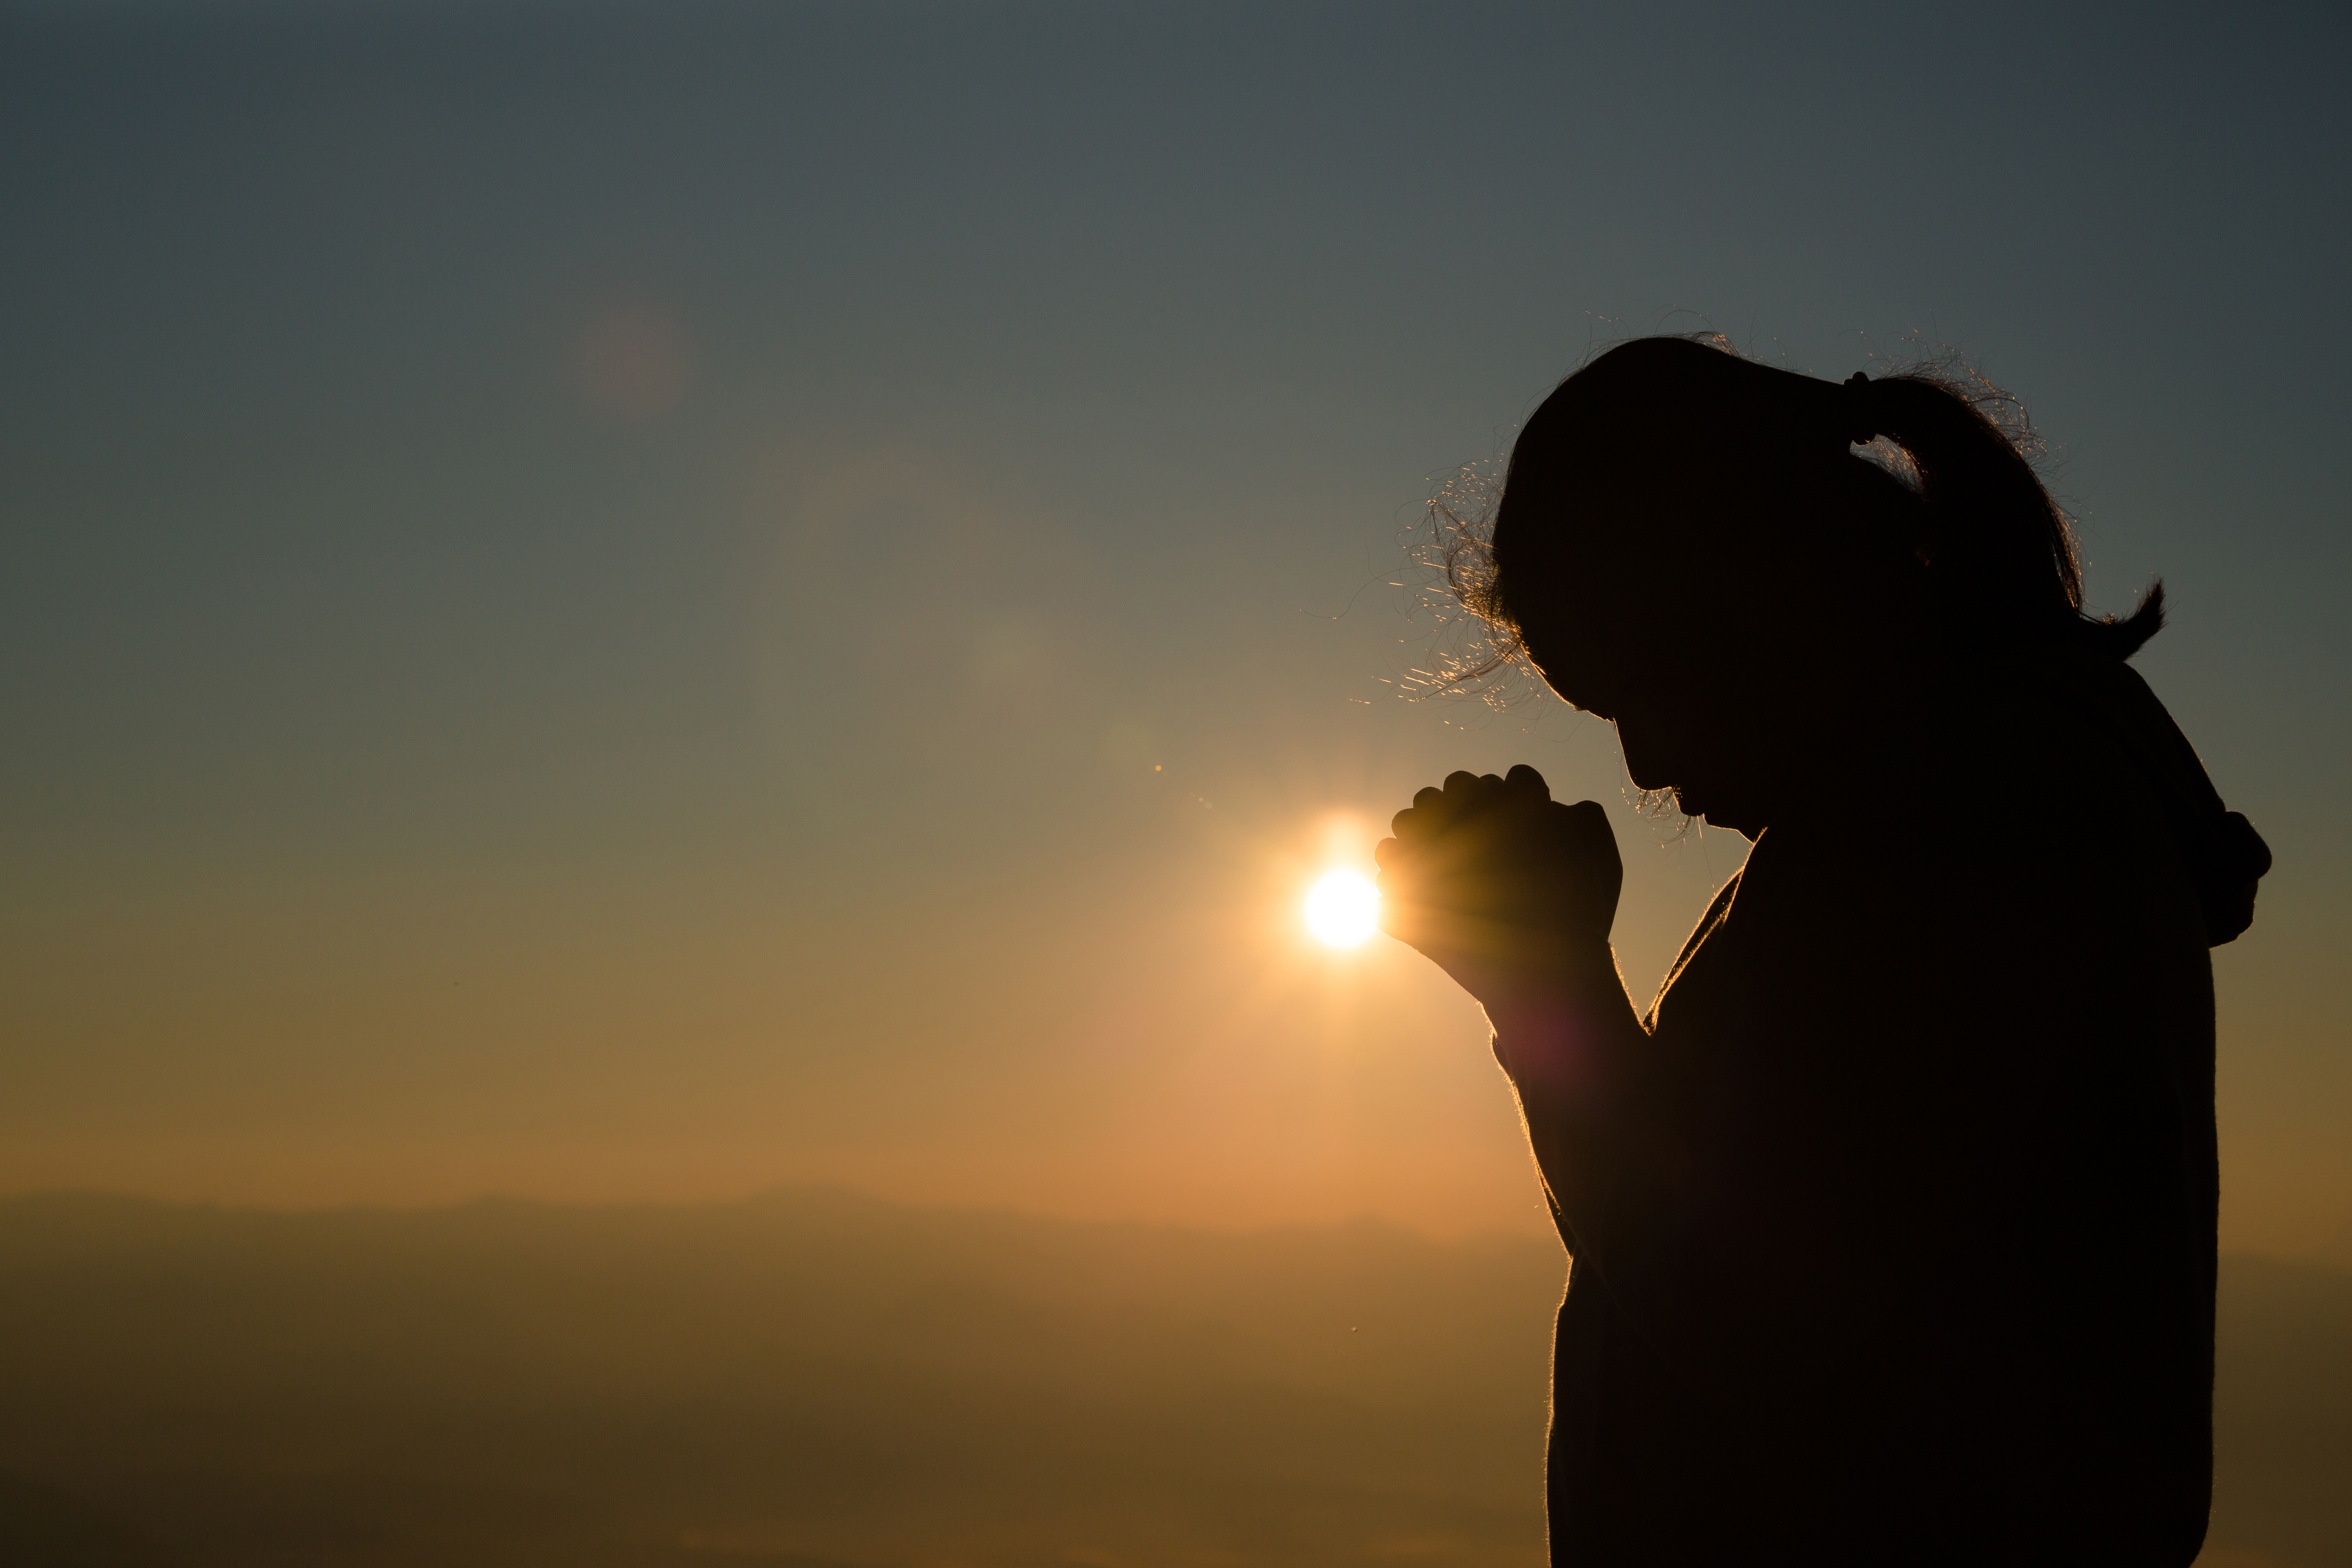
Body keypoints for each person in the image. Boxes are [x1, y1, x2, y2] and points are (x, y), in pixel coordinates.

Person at [1374, 337, 2270, 1565]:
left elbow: (1745, 1315)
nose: (1642, 763)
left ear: (1757, 594)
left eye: (1638, 688)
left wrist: (1546, 985)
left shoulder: (1961, 831)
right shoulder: (1937, 808)